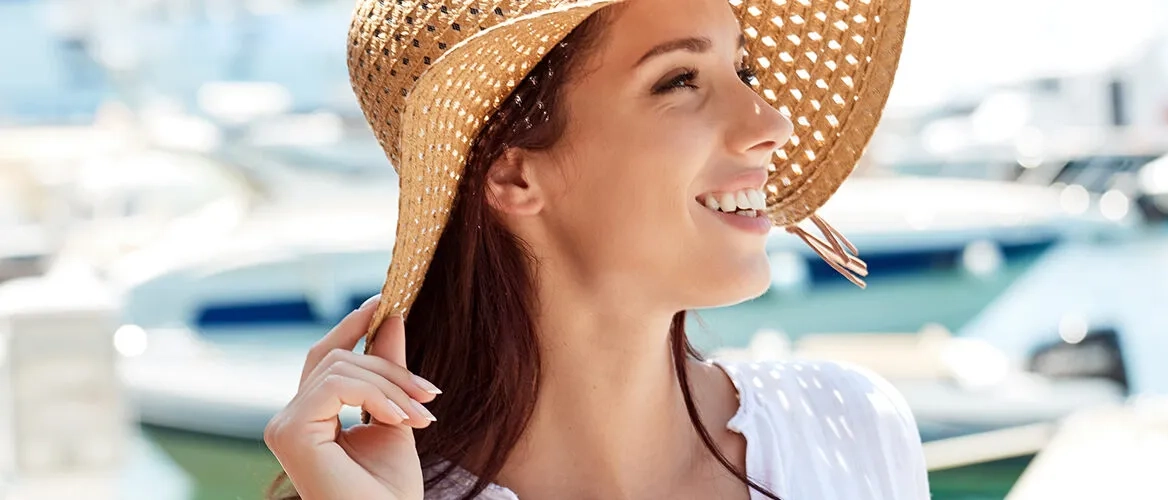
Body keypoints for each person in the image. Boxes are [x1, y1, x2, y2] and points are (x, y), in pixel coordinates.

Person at [263, 0, 922, 498]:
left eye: (741, 70)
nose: (772, 123)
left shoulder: (850, 430)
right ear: (514, 175)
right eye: (679, 81)